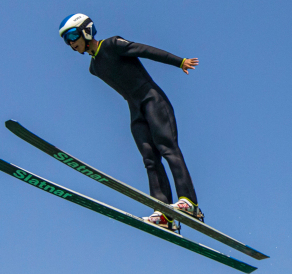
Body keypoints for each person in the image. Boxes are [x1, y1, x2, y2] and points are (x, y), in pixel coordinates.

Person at [58, 13, 202, 233]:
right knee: (149, 159)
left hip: (152, 100)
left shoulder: (113, 44)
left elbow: (146, 50)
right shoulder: (94, 67)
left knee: (167, 148)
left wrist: (179, 61)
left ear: (85, 30)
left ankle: (189, 202)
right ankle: (163, 213)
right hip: (135, 109)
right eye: (65, 39)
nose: (70, 43)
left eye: (71, 35)